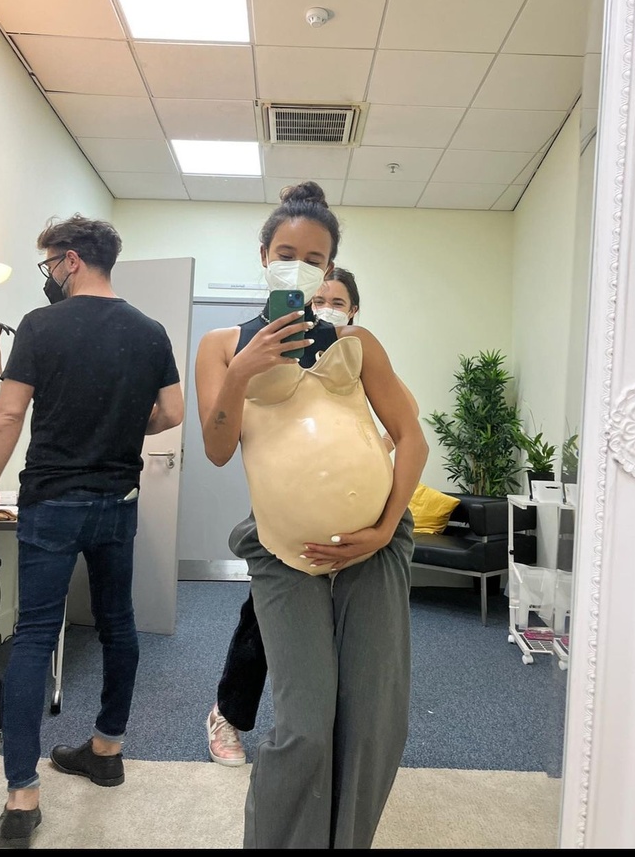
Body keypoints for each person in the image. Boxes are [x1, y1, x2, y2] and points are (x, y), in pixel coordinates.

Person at [195, 181, 428, 849]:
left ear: (330, 268)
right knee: (304, 724)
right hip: (283, 548)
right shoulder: (220, 344)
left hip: (374, 544)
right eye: (286, 253)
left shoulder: (358, 342)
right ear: (264, 255)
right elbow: (217, 448)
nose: (299, 266)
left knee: (375, 721)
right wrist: (241, 372)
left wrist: (383, 528)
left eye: (315, 258)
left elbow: (412, 437)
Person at [0, 214, 184, 849]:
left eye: (49, 264)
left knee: (36, 634)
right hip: (117, 502)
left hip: (53, 502)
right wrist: (125, 426)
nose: (49, 275)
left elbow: (8, 414)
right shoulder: (150, 330)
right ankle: (107, 750)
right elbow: (170, 412)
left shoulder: (41, 325)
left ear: (71, 260)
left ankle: (22, 796)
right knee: (118, 624)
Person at [206, 265, 418, 768]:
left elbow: (406, 421)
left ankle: (335, 743)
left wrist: (362, 457)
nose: (325, 307)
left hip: (362, 529)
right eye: (318, 298)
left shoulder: (356, 349)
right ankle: (228, 713)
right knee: (262, 627)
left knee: (351, 655)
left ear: (353, 310)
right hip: (285, 521)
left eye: (337, 301)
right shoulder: (253, 347)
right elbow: (223, 442)